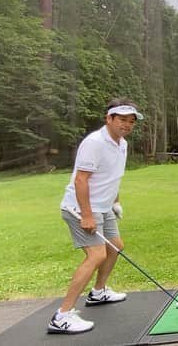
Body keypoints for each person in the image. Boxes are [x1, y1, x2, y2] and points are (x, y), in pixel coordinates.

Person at [48, 99, 143, 334]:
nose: (127, 125)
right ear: (108, 119)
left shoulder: (122, 144)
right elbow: (81, 180)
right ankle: (62, 316)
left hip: (104, 207)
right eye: (122, 120)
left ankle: (98, 292)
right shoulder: (94, 143)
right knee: (96, 255)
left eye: (131, 121)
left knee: (115, 246)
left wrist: (116, 202)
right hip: (80, 208)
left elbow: (113, 177)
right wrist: (87, 216)